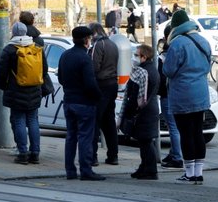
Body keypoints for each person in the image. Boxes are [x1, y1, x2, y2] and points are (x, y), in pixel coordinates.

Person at [163, 10, 212, 184]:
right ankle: (199, 172)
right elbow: (207, 68)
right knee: (198, 132)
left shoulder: (178, 44)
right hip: (201, 93)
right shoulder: (203, 41)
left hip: (182, 94)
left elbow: (168, 70)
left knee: (186, 133)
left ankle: (189, 173)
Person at [0, 22, 48, 165]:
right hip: (34, 90)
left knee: (18, 120)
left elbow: (1, 71)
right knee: (33, 120)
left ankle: (23, 152)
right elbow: (44, 69)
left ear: (13, 32)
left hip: (15, 90)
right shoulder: (36, 48)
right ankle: (35, 153)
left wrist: (4, 86)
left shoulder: (9, 49)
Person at [59, 26, 104, 180]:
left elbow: (60, 78)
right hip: (84, 103)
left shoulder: (65, 55)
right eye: (89, 39)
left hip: (69, 100)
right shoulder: (85, 58)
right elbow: (90, 83)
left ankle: (70, 171)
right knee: (85, 136)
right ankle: (86, 170)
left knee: (71, 136)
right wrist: (99, 96)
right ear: (86, 40)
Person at [122, 44, 162, 180]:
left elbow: (137, 95)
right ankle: (144, 167)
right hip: (149, 109)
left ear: (144, 57)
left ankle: (150, 170)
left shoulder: (144, 72)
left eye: (136, 55)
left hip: (144, 111)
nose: (134, 58)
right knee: (144, 141)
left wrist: (129, 110)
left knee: (146, 141)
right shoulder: (149, 70)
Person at [88, 23, 120, 166]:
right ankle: (113, 155)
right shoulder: (112, 44)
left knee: (94, 121)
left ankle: (92, 156)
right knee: (109, 122)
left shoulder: (98, 45)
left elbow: (94, 67)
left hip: (101, 85)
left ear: (93, 33)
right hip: (112, 84)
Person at [158, 25, 184, 170]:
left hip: (168, 94)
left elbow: (163, 75)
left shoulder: (167, 53)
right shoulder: (182, 48)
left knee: (173, 127)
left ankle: (177, 157)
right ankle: (174, 152)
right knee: (175, 126)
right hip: (179, 92)